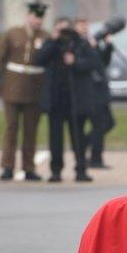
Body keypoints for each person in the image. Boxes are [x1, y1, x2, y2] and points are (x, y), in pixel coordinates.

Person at [0, 2, 49, 181]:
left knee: (31, 130)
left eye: (40, 18)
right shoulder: (12, 33)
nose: (37, 21)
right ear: (27, 16)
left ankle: (29, 167)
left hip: (35, 89)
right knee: (11, 127)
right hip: (13, 87)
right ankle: (7, 166)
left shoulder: (45, 36)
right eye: (34, 17)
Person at [36, 17, 97, 182]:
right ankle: (56, 170)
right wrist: (53, 40)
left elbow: (92, 62)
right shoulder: (51, 44)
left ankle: (81, 169)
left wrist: (75, 61)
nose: (63, 33)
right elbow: (39, 59)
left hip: (75, 99)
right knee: (55, 139)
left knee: (78, 137)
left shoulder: (80, 43)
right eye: (59, 29)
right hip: (56, 99)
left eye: (65, 30)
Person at [74, 18, 115, 169]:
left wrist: (108, 46)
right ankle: (95, 158)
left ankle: (83, 144)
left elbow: (102, 62)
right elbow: (79, 64)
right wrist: (90, 48)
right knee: (99, 124)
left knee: (108, 123)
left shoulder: (91, 42)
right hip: (88, 91)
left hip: (100, 90)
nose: (84, 28)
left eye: (86, 25)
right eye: (81, 25)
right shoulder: (77, 44)